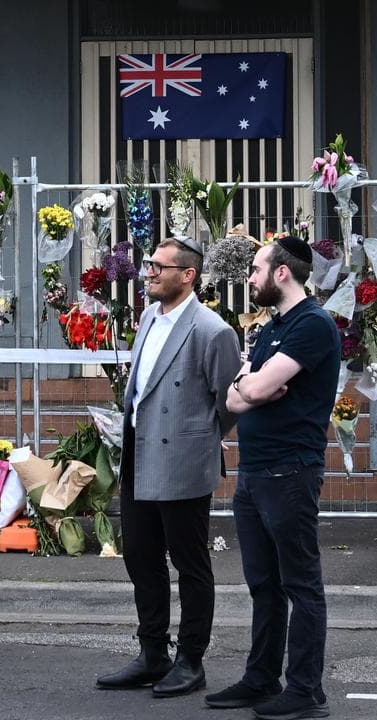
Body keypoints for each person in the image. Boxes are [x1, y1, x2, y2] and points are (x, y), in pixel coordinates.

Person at [96, 237, 241, 698]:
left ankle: (191, 660)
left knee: (190, 562)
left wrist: (195, 436)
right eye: (148, 265)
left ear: (188, 275)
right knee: (140, 556)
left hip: (183, 459)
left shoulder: (212, 330)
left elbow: (229, 401)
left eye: (159, 266)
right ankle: (152, 652)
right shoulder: (146, 317)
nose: (149, 272)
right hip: (139, 455)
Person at [209, 236, 339, 720]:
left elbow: (255, 386)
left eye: (257, 269)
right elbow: (237, 396)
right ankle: (261, 678)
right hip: (254, 473)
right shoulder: (272, 328)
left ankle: (305, 690)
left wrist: (253, 388)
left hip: (290, 473)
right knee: (263, 584)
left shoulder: (312, 325)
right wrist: (252, 389)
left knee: (301, 585)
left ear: (282, 272)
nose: (251, 277)